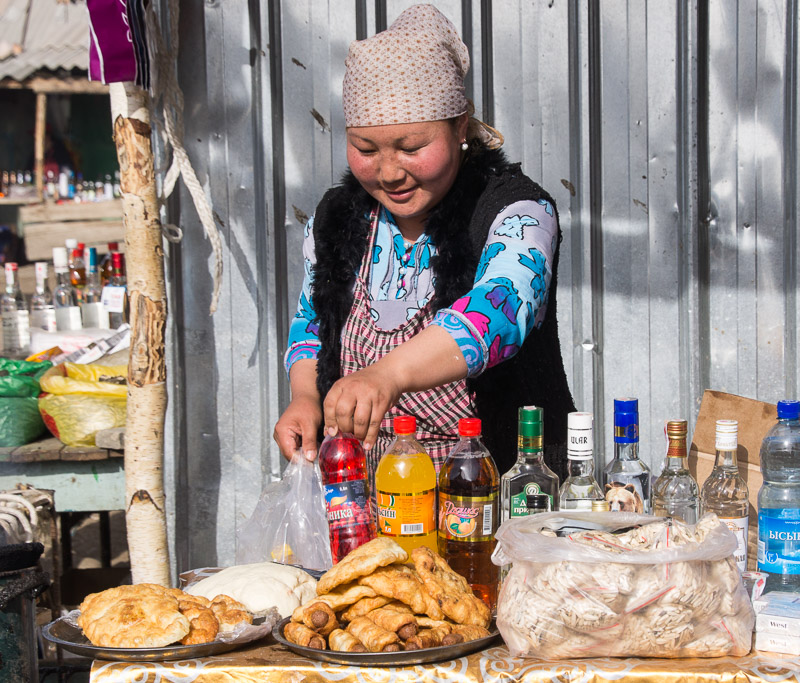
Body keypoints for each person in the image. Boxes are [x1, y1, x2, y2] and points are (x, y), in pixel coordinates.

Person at [274, 4, 575, 482]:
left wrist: (386, 375)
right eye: (366, 150)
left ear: (459, 126)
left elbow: (499, 313)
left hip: (494, 508)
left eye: (412, 148)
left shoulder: (516, 212)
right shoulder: (336, 218)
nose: (390, 172)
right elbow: (311, 322)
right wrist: (305, 399)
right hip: (366, 509)